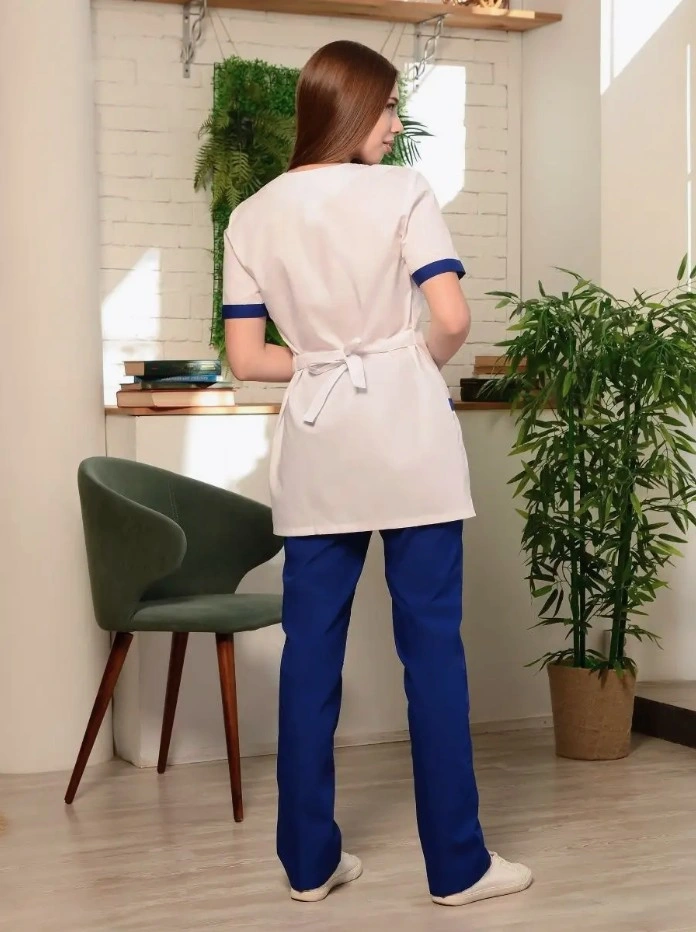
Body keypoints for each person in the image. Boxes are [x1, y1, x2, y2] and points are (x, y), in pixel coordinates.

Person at [222, 39, 533, 908]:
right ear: (351, 107)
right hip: (407, 439)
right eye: (389, 106)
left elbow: (248, 359)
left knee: (309, 655)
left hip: (319, 445)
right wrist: (403, 365)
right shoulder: (403, 192)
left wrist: (324, 359)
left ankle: (308, 863)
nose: (396, 125)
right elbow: (452, 319)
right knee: (432, 650)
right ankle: (458, 868)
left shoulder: (251, 214)